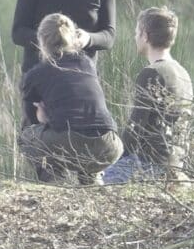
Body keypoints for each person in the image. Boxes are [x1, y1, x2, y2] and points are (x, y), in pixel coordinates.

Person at [12, 0, 116, 126]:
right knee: (37, 141)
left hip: (82, 79)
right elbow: (18, 33)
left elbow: (109, 36)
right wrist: (55, 40)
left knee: (80, 142)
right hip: (40, 79)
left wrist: (88, 38)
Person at [19, 13, 123, 184]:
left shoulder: (36, 74)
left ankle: (56, 183)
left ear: (42, 41)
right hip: (110, 145)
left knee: (27, 137)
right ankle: (92, 183)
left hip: (70, 142)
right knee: (83, 139)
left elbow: (32, 120)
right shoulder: (87, 63)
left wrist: (45, 119)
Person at [102, 7, 193, 184]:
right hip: (176, 163)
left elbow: (135, 129)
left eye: (137, 32)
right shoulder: (184, 73)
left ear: (145, 35)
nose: (135, 37)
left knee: (98, 183)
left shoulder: (151, 73)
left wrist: (118, 159)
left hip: (149, 163)